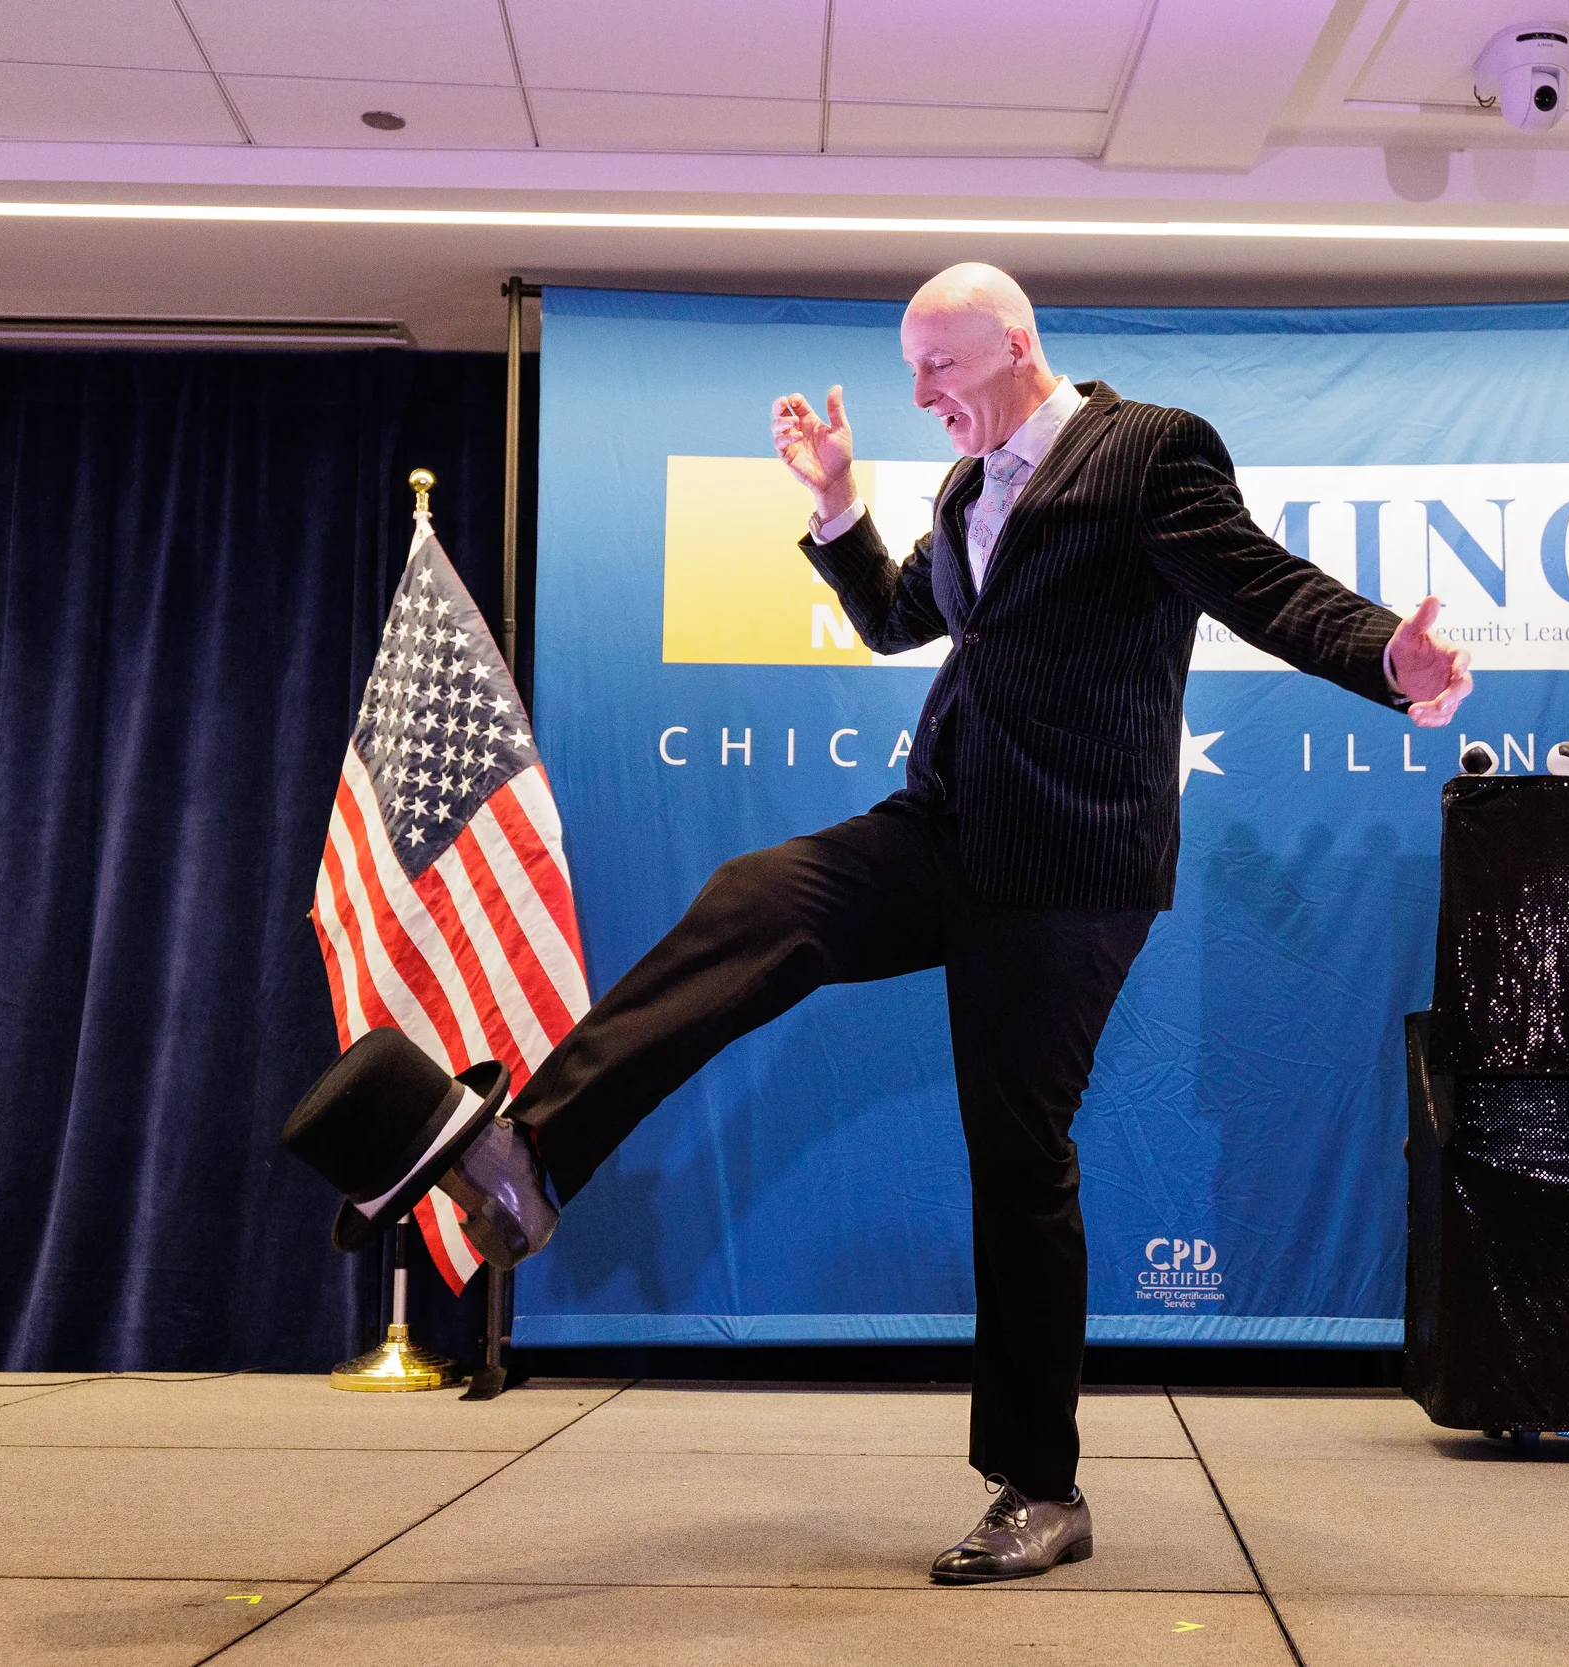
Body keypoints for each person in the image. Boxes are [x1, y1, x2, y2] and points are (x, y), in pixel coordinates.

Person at [334, 263, 1470, 1583]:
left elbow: (1260, 583)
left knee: (1017, 1153)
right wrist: (835, 504)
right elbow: (890, 618)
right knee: (758, 899)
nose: (922, 392)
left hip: (1072, 867)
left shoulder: (1147, 450)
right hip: (945, 825)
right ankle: (530, 1153)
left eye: (940, 364)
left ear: (1015, 345)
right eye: (912, 370)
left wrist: (1387, 655)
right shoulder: (967, 489)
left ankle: (1039, 1488)